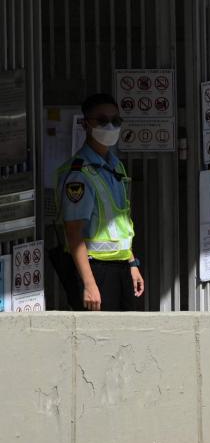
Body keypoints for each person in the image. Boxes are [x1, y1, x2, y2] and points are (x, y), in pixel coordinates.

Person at [53, 93, 144, 311]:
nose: (111, 126)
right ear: (85, 125)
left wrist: (132, 263)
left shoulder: (116, 167)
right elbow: (73, 233)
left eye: (116, 121)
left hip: (121, 267)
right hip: (95, 270)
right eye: (102, 121)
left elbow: (119, 223)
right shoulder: (79, 175)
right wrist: (89, 284)